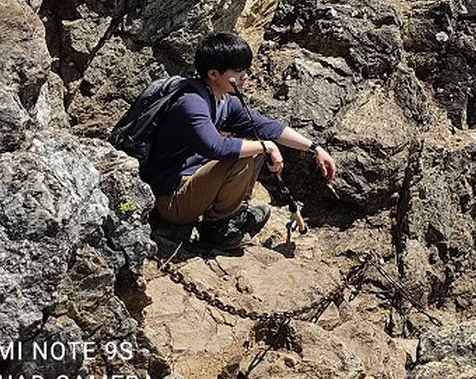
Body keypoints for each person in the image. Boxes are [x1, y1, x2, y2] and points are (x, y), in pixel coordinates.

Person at [142, 31, 338, 249]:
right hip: (172, 199)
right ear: (214, 74)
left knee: (253, 142)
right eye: (238, 70)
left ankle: (229, 214)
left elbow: (268, 126)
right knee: (251, 150)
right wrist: (266, 146)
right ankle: (217, 228)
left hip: (193, 181)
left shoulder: (223, 100)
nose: (245, 75)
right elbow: (215, 147)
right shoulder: (191, 104)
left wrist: (314, 148)